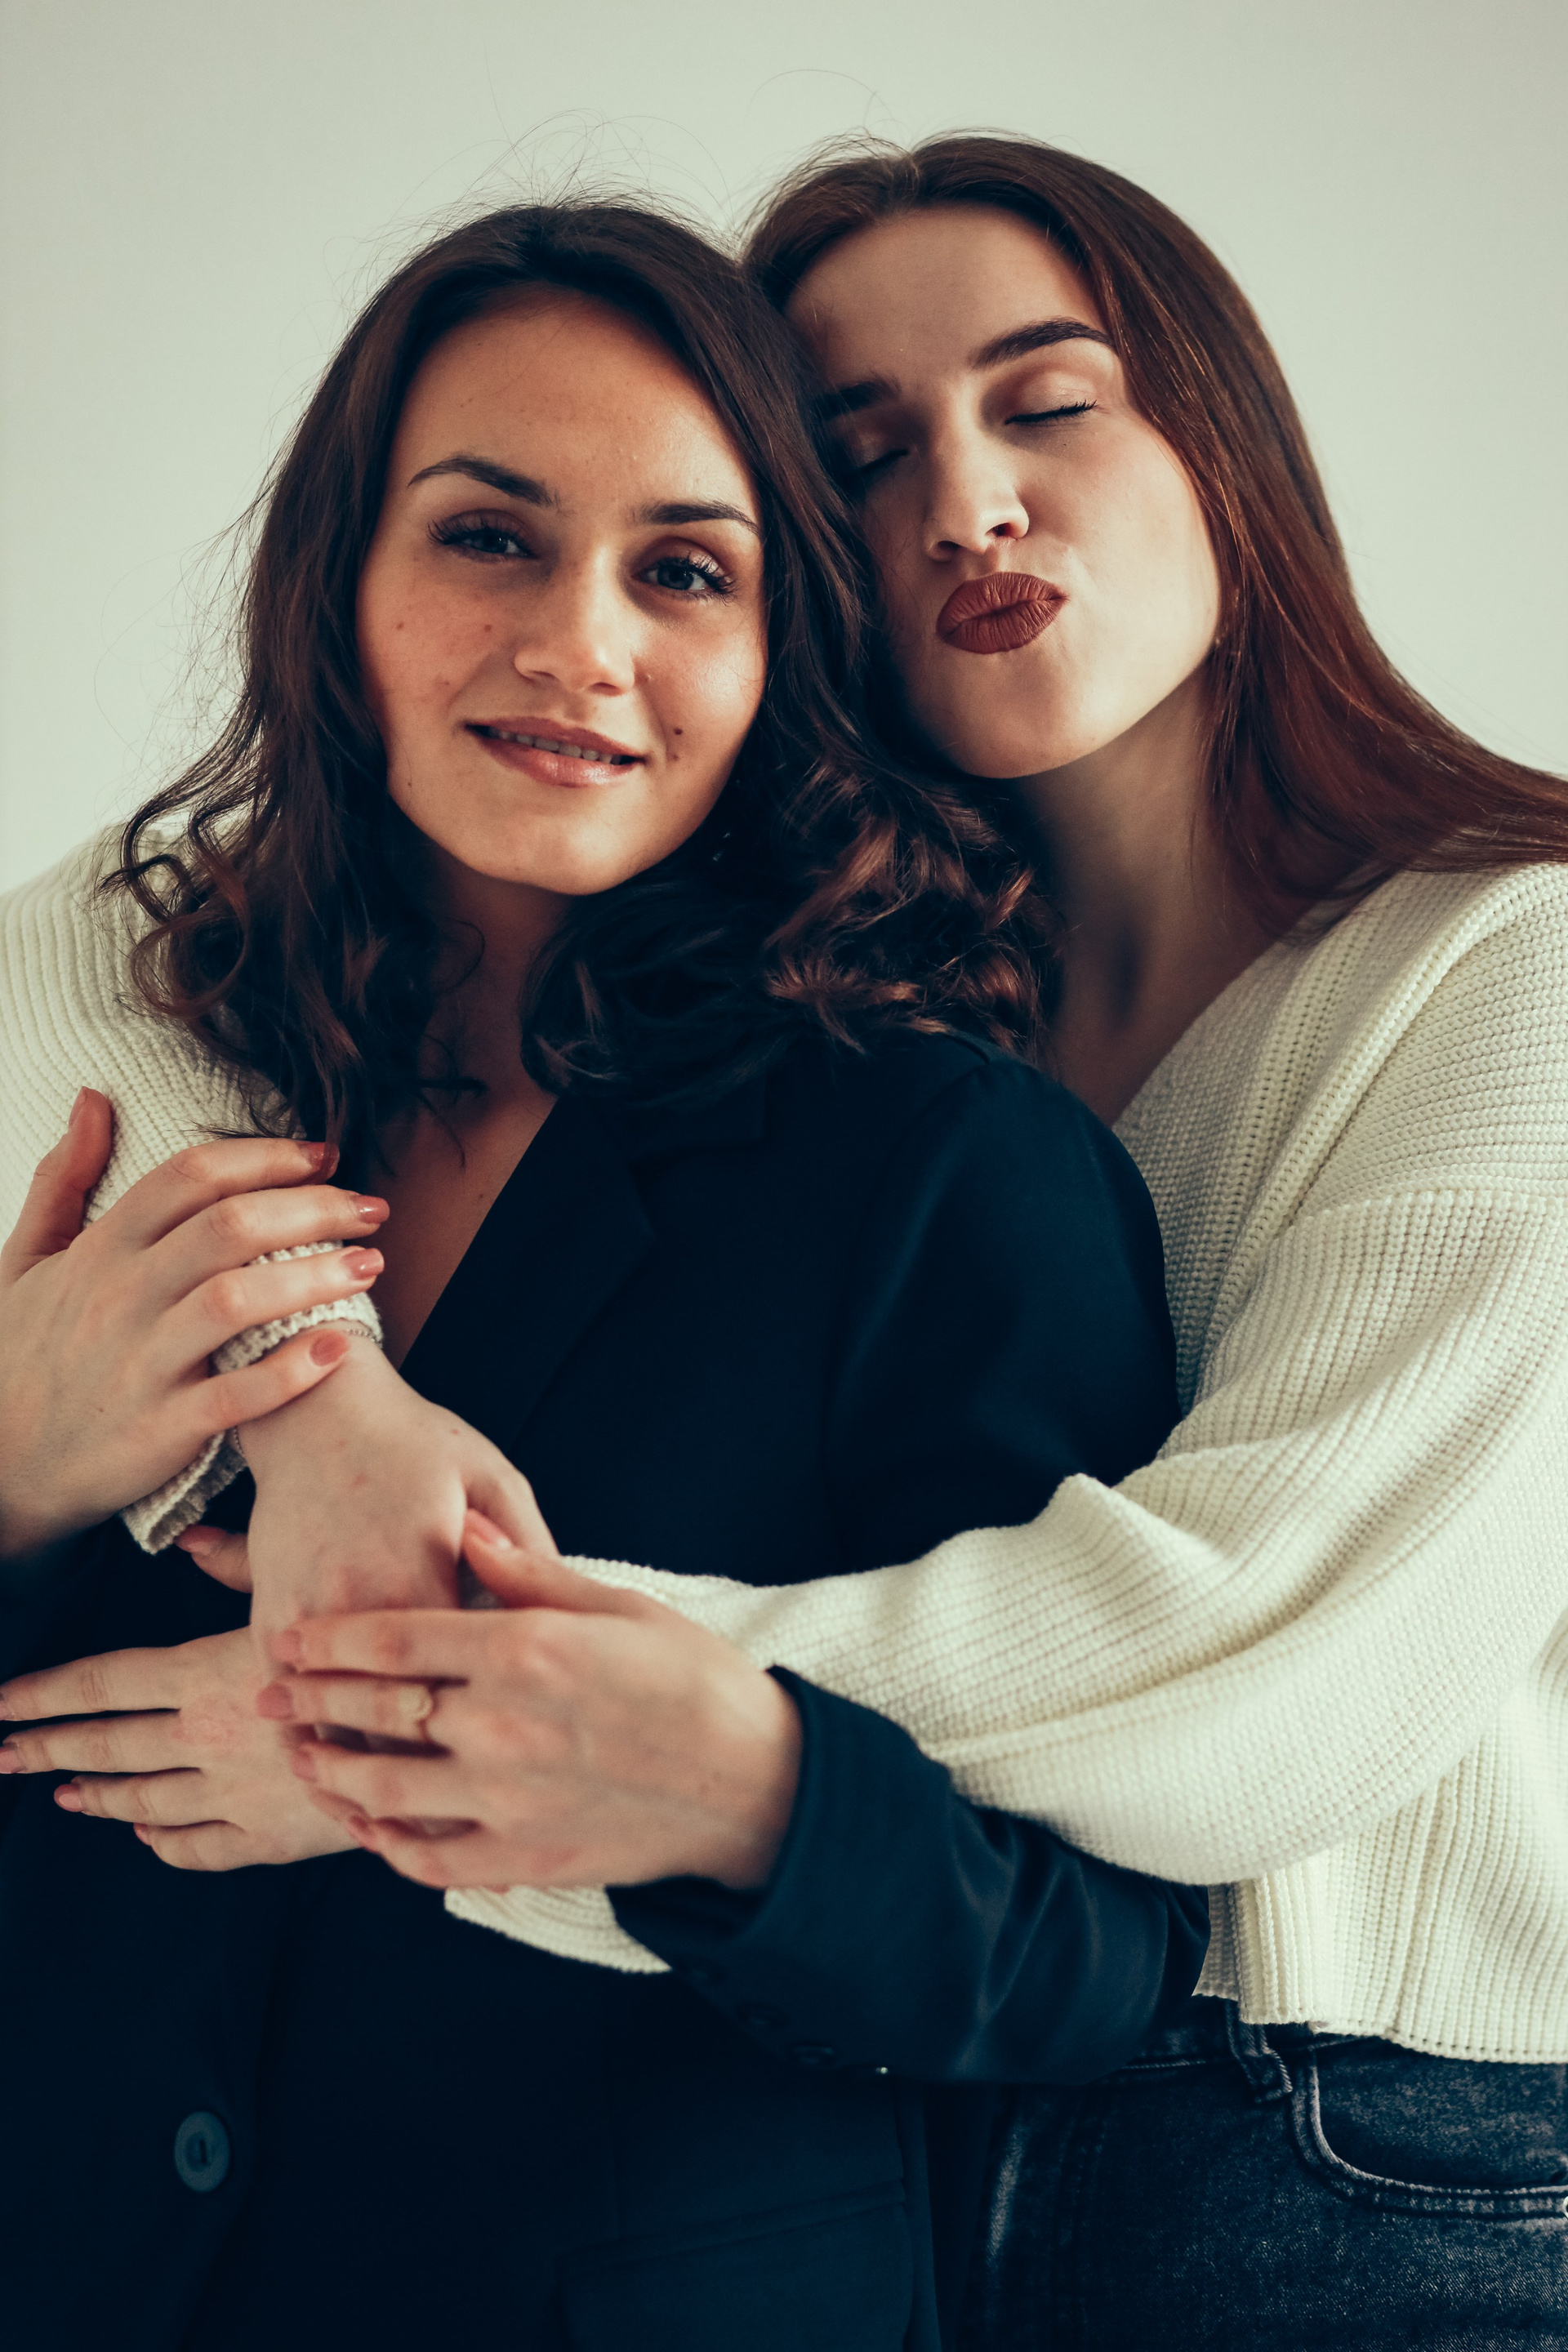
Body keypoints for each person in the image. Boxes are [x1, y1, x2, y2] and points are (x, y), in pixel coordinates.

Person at [7, 131, 1568, 2343]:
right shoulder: (924, 1008)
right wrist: (216, 1417)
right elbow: (74, 938)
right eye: (864, 455)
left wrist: (411, 1708)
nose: (968, 505)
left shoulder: (1492, 985)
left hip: (1372, 2138)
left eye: (1048, 400)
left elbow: (1271, 1669)